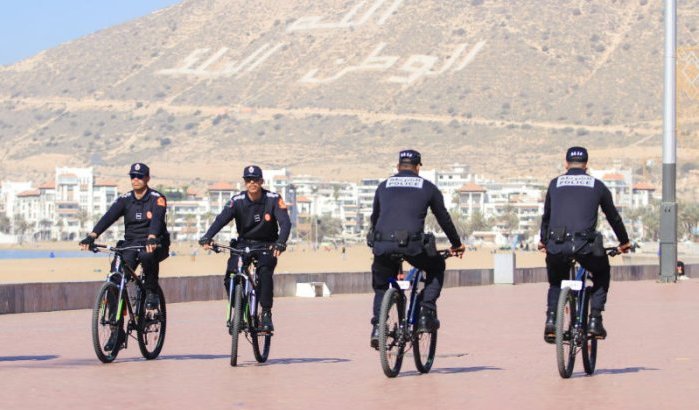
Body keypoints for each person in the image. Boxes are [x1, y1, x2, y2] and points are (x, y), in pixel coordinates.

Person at [367, 149, 465, 349]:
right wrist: (456, 244)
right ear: (419, 167)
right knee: (436, 266)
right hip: (412, 246)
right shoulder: (427, 187)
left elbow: (374, 218)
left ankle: (378, 327)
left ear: (397, 167)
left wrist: (376, 243)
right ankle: (425, 314)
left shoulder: (383, 186)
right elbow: (443, 218)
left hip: (383, 244)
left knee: (381, 286)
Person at [538, 147, 631, 343]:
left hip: (558, 245)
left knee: (556, 282)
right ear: (587, 165)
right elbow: (613, 217)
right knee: (601, 272)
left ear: (566, 164)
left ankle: (551, 322)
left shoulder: (555, 184)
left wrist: (543, 241)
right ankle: (595, 320)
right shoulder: (597, 185)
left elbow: (546, 217)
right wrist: (624, 242)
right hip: (585, 246)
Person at [79, 163, 170, 350]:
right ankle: (116, 331)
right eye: (133, 176)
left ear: (147, 179)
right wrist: (93, 235)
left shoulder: (157, 198)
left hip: (155, 242)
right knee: (116, 279)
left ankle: (151, 291)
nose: (135, 179)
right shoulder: (125, 199)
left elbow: (157, 220)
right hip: (130, 243)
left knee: (147, 255)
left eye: (140, 176)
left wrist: (152, 237)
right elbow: (109, 217)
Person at [198, 165, 291, 332]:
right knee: (231, 273)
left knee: (264, 272)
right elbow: (221, 220)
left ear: (261, 181)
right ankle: (239, 310)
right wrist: (208, 236)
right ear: (245, 182)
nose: (252, 183)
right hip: (243, 244)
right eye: (248, 180)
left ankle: (266, 313)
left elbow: (285, 222)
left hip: (267, 245)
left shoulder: (273, 199)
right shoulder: (237, 200)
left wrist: (281, 242)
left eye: (255, 179)